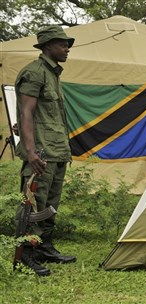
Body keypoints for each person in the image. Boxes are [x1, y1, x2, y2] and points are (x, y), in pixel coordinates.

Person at [14, 25, 77, 276]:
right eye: (62, 44)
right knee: (32, 206)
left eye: (67, 44)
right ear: (47, 46)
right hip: (40, 153)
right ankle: (26, 253)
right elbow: (26, 113)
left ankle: (45, 247)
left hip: (57, 150)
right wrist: (31, 152)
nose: (67, 48)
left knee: (50, 204)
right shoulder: (34, 72)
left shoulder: (53, 74)